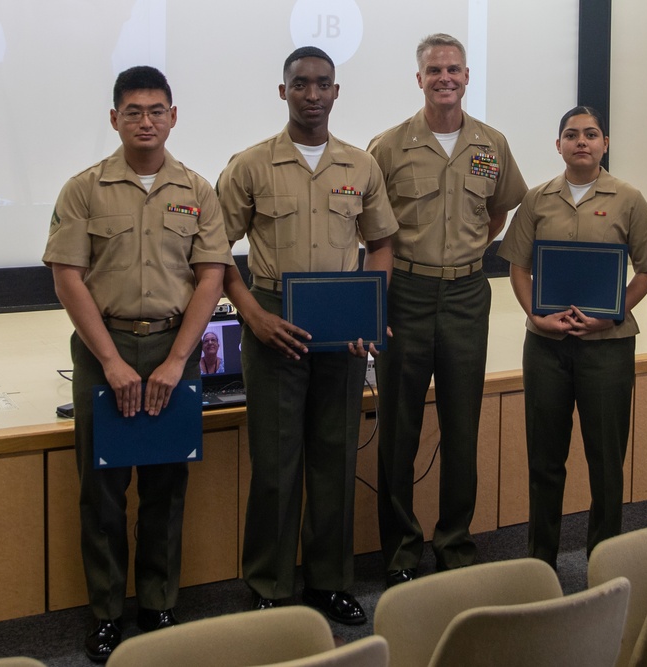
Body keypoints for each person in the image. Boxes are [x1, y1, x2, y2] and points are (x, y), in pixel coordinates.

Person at [42, 65, 232, 662]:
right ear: (115, 119)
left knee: (166, 486)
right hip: (107, 349)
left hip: (175, 348)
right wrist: (111, 362)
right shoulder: (84, 189)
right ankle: (106, 612)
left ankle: (158, 604)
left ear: (173, 116)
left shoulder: (197, 191)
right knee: (101, 492)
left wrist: (178, 361)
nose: (145, 121)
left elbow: (210, 277)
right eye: (133, 112)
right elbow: (67, 278)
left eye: (156, 111)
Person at [217, 46, 397, 625]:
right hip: (273, 317)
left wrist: (366, 313)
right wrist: (252, 315)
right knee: (276, 462)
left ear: (337, 92)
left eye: (323, 84)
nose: (312, 94)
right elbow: (213, 253)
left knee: (336, 458)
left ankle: (328, 582)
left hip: (341, 320)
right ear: (283, 91)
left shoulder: (360, 166)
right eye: (301, 84)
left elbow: (383, 244)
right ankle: (269, 584)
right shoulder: (249, 165)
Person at [368, 33, 528, 587]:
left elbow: (502, 209)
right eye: (434, 70)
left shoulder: (492, 144)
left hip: (466, 294)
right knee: (399, 428)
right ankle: (401, 550)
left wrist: (466, 252)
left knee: (463, 425)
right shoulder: (387, 147)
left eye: (453, 70)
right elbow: (370, 231)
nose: (444, 79)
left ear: (466, 77)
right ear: (419, 79)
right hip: (404, 295)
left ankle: (454, 542)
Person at [497, 106, 647, 568]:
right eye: (571, 135)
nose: (581, 142)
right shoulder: (536, 199)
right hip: (546, 346)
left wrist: (611, 316)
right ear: (559, 145)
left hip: (606, 348)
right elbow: (518, 265)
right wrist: (535, 315)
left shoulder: (628, 198)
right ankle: (540, 562)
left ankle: (603, 558)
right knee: (544, 461)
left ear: (605, 143)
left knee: (606, 463)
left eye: (591, 134)